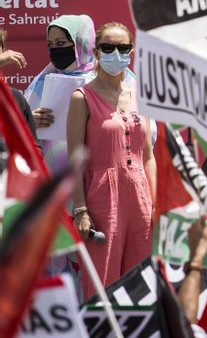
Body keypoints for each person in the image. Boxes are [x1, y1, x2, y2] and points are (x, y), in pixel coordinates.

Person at [67, 22, 155, 300]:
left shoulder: (142, 95)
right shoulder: (82, 97)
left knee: (141, 282)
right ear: (96, 51)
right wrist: (80, 209)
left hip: (140, 198)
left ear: (131, 51)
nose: (115, 54)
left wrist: (155, 203)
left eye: (122, 47)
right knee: (102, 284)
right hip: (102, 197)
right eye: (108, 47)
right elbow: (74, 160)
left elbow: (149, 155)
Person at [24, 15, 97, 172]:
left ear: (81, 42)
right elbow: (18, 130)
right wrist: (29, 121)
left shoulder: (105, 79)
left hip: (98, 172)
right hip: (54, 175)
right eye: (51, 44)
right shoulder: (42, 81)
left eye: (61, 43)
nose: (55, 49)